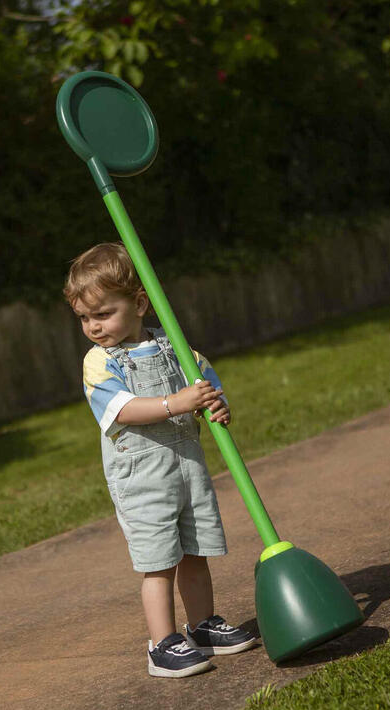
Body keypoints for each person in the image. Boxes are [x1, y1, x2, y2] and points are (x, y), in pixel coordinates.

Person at [64, 242, 257, 677]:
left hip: (187, 469)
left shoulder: (174, 347)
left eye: (102, 314)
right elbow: (124, 410)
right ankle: (162, 643)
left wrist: (216, 405)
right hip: (142, 478)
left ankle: (203, 626)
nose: (93, 327)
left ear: (138, 303)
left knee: (195, 551)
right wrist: (176, 402)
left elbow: (207, 384)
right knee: (159, 561)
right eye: (83, 318)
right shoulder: (99, 363)